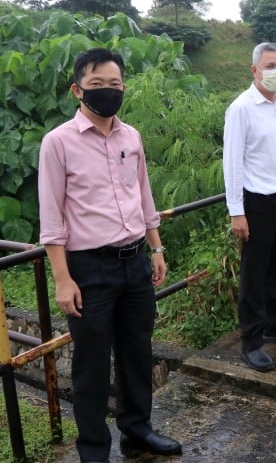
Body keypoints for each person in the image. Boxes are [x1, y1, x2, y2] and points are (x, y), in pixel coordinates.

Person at [38, 48, 182, 463]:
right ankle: (94, 450)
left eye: (114, 84)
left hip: (135, 261)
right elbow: (51, 219)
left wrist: (156, 248)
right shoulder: (58, 143)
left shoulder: (131, 137)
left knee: (138, 351)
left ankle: (138, 431)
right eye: (97, 84)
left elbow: (144, 196)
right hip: (88, 270)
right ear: (77, 89)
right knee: (92, 366)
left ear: (124, 88)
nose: (107, 92)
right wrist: (63, 280)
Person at [223, 42, 276, 373]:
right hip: (256, 199)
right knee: (255, 272)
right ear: (255, 70)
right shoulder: (241, 109)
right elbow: (232, 163)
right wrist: (237, 211)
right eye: (270, 65)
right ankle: (252, 340)